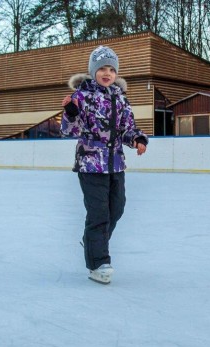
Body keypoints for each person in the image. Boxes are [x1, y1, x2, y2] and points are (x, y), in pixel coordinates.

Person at [60, 45, 148, 285]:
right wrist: (70, 113)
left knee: (116, 209)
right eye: (102, 69)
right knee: (99, 213)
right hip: (90, 164)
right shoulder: (82, 96)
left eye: (111, 69)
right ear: (93, 71)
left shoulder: (120, 98)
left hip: (116, 164)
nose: (107, 73)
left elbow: (127, 128)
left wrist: (137, 139)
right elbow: (70, 131)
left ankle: (92, 241)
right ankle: (98, 263)